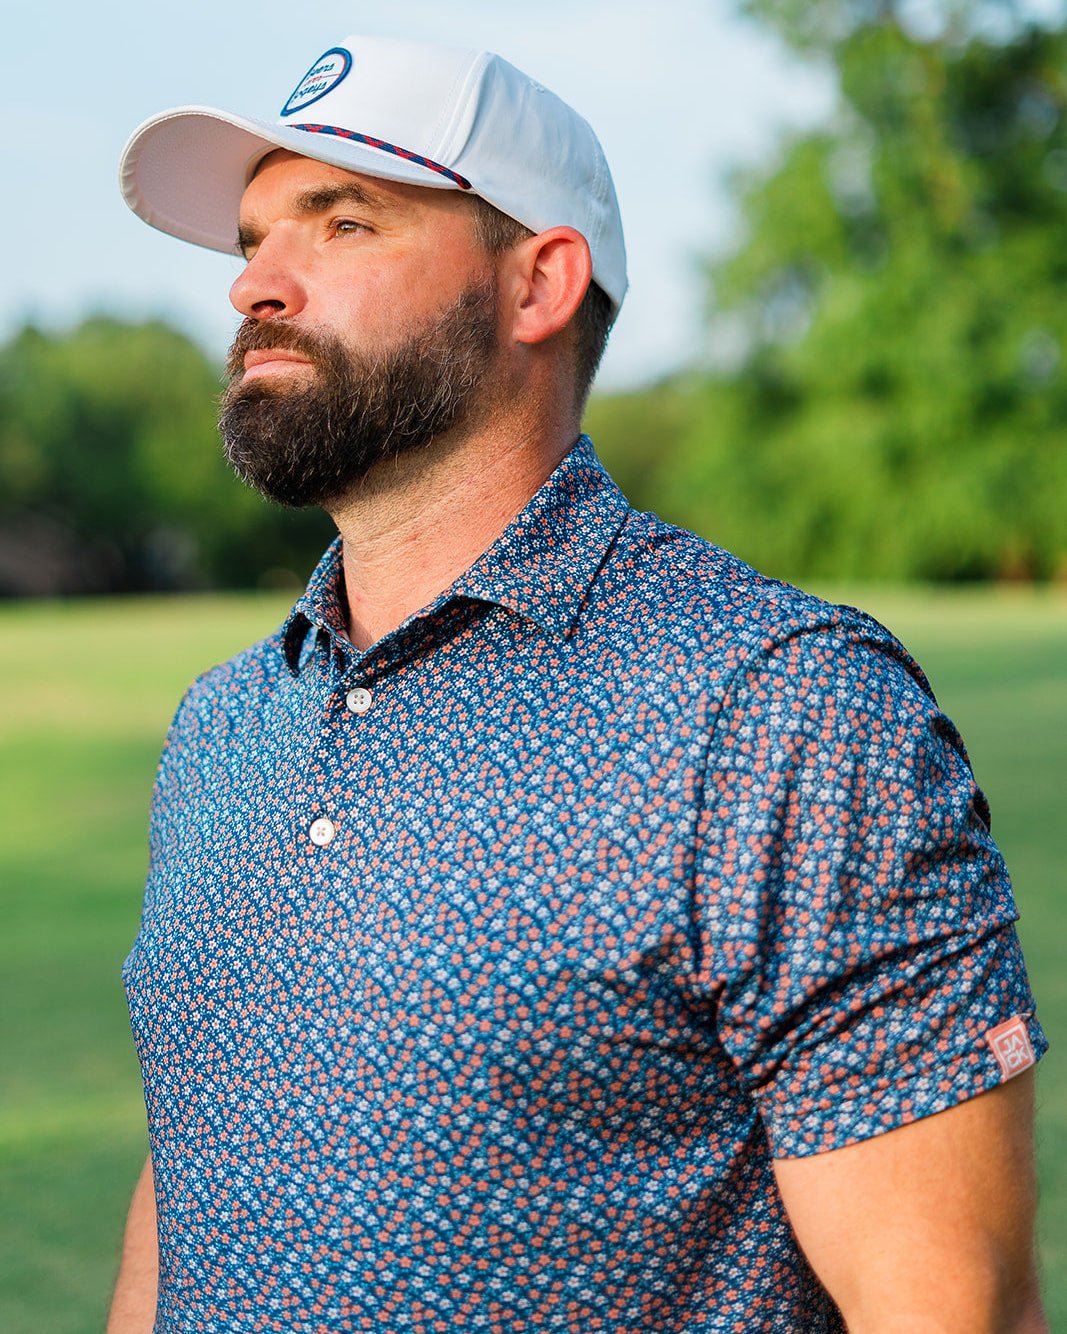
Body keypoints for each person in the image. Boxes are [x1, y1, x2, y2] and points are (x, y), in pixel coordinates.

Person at [110, 33, 1048, 1334]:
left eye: (342, 222)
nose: (257, 286)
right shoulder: (222, 724)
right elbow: (191, 1185)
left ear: (540, 282)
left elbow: (952, 1304)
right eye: (253, 241)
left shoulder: (787, 713)